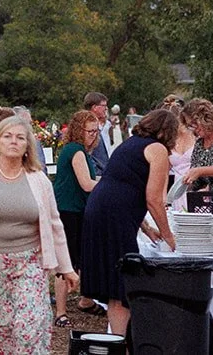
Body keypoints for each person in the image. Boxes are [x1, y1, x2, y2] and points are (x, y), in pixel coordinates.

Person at [0, 113, 77, 355]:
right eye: (8, 136)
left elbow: (55, 226)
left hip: (29, 263)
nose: (14, 141)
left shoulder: (38, 179)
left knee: (29, 327)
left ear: (27, 147)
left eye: (20, 138)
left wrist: (66, 267)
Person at [81, 107, 178, 338]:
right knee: (124, 279)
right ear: (168, 131)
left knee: (116, 285)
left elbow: (125, 185)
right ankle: (122, 342)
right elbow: (154, 199)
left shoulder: (131, 143)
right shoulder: (157, 149)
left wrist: (146, 227)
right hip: (115, 215)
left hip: (99, 208)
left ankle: (119, 340)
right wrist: (168, 235)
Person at [52, 109, 100, 325]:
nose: (93, 135)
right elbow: (87, 184)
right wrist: (110, 184)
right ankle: (60, 312)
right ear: (79, 131)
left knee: (81, 256)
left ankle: (86, 299)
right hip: (68, 210)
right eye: (89, 131)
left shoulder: (80, 151)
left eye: (96, 131)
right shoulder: (76, 151)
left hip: (77, 209)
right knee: (67, 260)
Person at [82, 92, 111, 178]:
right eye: (104, 106)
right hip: (97, 177)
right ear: (94, 107)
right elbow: (88, 154)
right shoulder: (86, 128)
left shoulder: (103, 126)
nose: (106, 109)